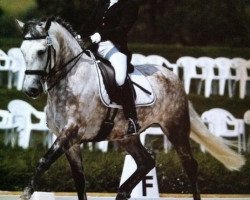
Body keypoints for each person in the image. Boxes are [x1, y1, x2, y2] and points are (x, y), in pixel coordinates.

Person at [80, 0, 140, 135]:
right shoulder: (103, 3)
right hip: (95, 47)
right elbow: (90, 22)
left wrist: (102, 35)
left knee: (119, 78)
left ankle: (132, 119)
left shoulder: (129, 5)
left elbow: (124, 28)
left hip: (115, 49)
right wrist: (79, 35)